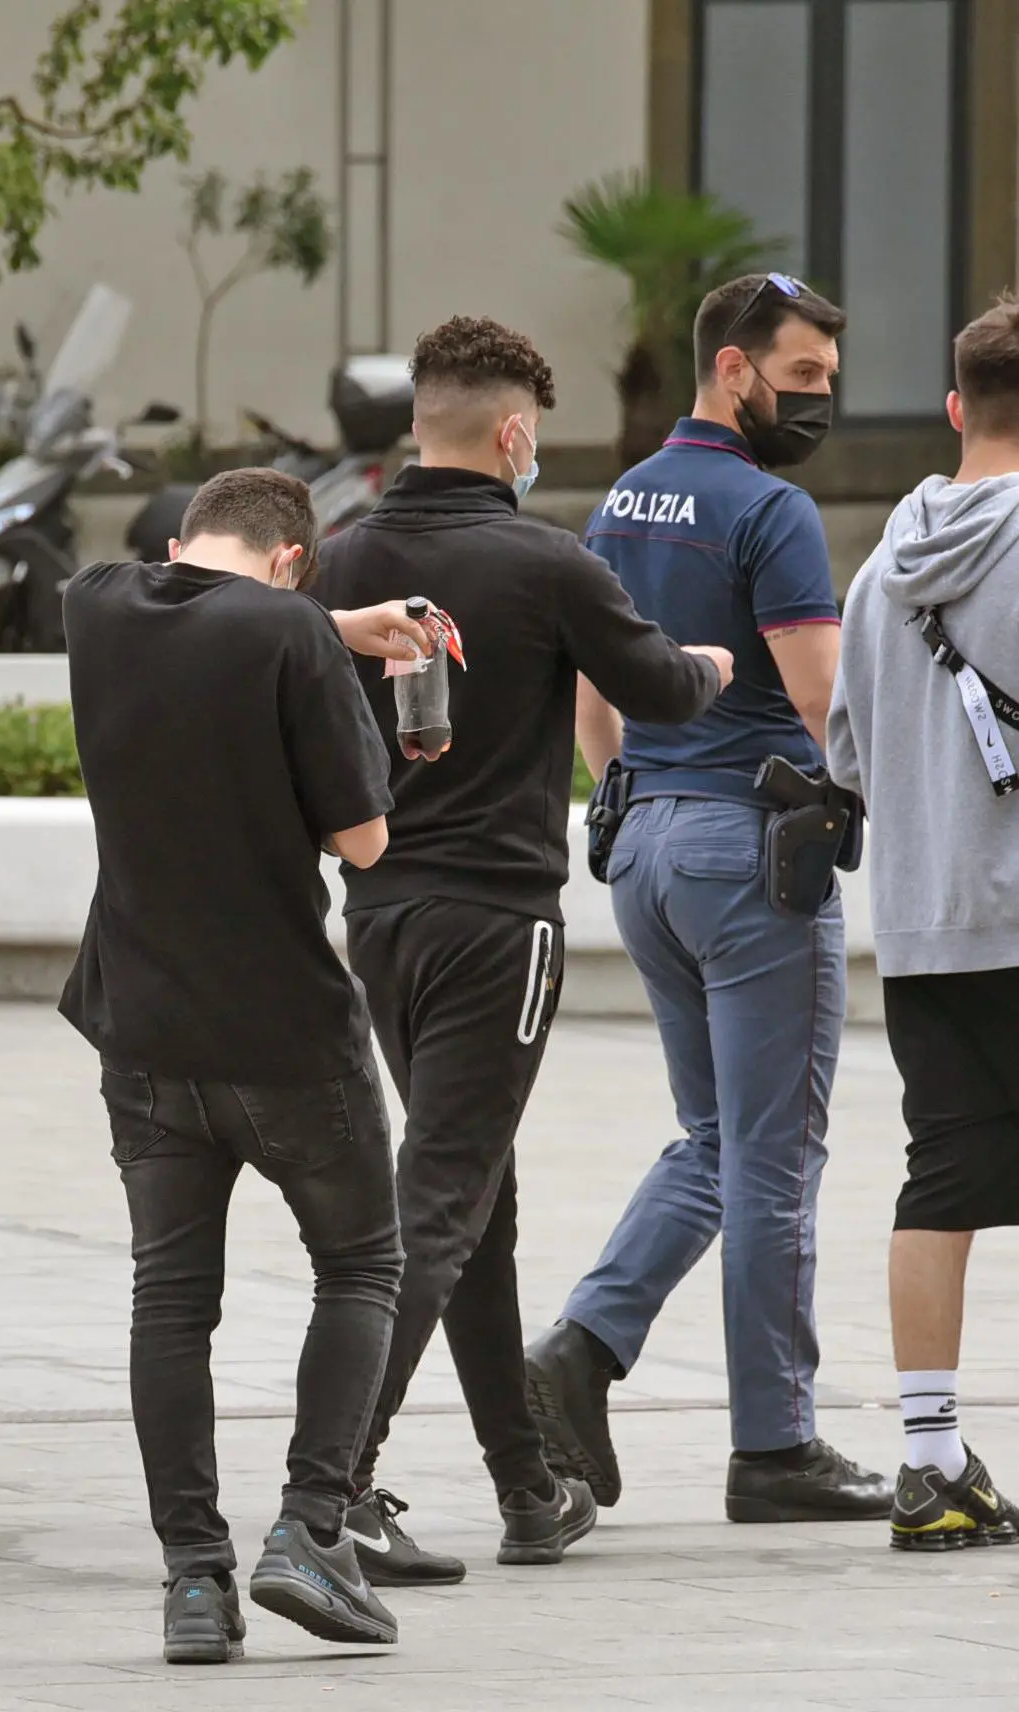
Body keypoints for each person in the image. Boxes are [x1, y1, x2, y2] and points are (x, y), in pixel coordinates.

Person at [314, 315, 732, 1586]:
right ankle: (326, 1488)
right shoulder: (546, 561)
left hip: (377, 918)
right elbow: (655, 688)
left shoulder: (340, 558)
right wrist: (714, 663)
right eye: (535, 436)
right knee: (436, 1201)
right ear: (511, 433)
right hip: (500, 924)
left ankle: (525, 1483)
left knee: (470, 1199)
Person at [525, 273, 892, 1524]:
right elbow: (817, 701)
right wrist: (880, 800)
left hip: (646, 851)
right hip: (750, 856)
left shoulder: (621, 501)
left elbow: (591, 694)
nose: (818, 403)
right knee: (775, 1156)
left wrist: (636, 795)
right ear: (732, 369)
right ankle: (775, 1447)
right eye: (801, 379)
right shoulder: (771, 508)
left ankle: (577, 1349)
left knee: (717, 1141)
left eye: (828, 384)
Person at [61, 468, 435, 1663]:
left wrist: (319, 628)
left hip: (145, 1030)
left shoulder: (97, 603)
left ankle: (192, 1580)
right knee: (362, 1264)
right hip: (284, 1034)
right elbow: (365, 842)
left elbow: (212, 610)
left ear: (182, 544)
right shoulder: (289, 635)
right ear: (292, 560)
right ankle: (310, 1529)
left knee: (171, 1300)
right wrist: (350, 655)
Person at [828, 296, 1019, 1549]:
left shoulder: (881, 566)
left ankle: (928, 1460)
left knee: (939, 1177)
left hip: (923, 918)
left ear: (955, 408)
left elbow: (846, 753)